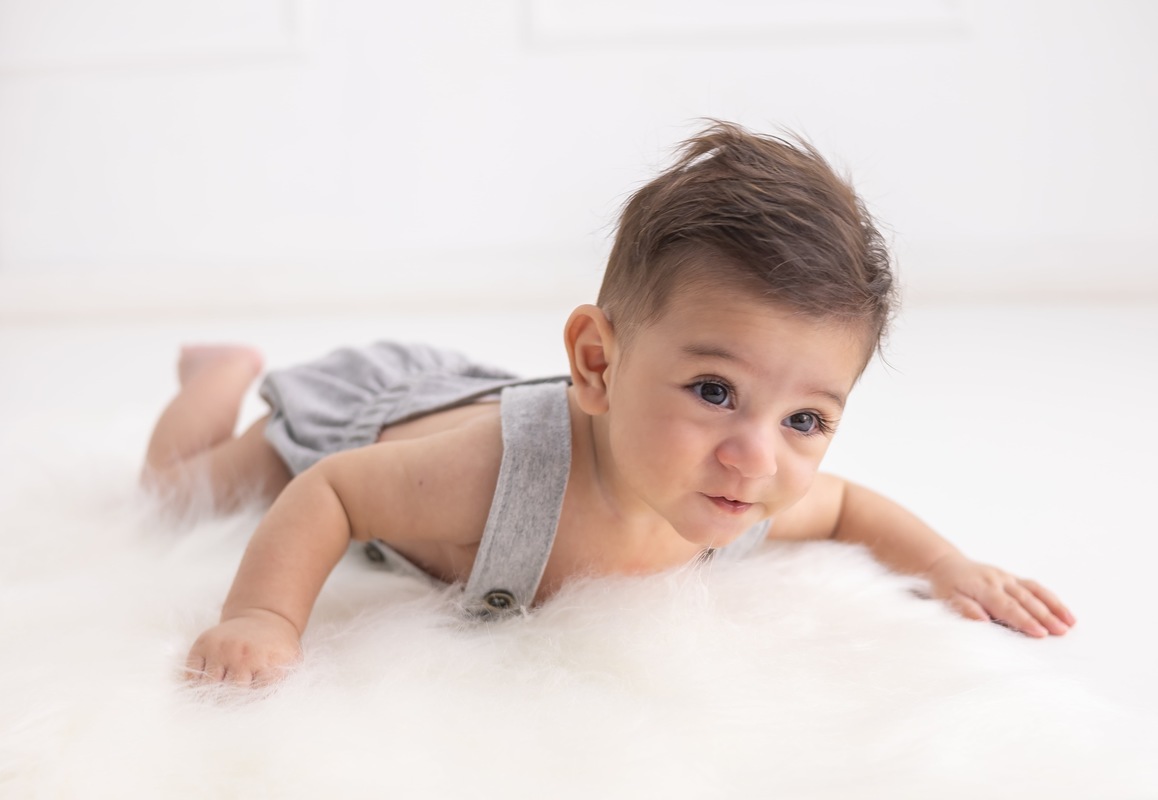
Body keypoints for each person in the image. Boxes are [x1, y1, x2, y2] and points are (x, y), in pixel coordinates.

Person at [143, 121, 1075, 686]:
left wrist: (948, 566)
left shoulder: (736, 505)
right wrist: (264, 617)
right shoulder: (495, 474)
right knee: (169, 495)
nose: (757, 456)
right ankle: (219, 378)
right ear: (598, 363)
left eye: (805, 421)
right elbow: (336, 493)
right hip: (367, 417)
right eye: (716, 392)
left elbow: (852, 508)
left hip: (477, 404)